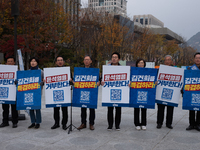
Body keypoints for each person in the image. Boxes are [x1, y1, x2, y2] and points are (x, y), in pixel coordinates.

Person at [77, 56, 100, 130]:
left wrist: (99, 82)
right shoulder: (80, 70)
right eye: (85, 60)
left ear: (91, 61)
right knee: (83, 108)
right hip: (83, 91)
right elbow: (76, 79)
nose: (86, 61)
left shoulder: (94, 70)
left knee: (91, 108)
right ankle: (83, 123)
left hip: (92, 91)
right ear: (83, 61)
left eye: (88, 60)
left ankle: (91, 123)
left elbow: (99, 79)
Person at [102, 52, 122, 131]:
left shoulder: (123, 68)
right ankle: (110, 125)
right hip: (109, 90)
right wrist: (102, 81)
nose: (114, 58)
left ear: (119, 59)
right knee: (110, 109)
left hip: (119, 90)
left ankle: (117, 125)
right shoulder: (107, 68)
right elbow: (102, 78)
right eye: (113, 57)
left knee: (118, 109)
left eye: (116, 57)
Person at [156, 55, 174, 129]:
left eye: (169, 60)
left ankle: (168, 123)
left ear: (171, 61)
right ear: (164, 61)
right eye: (166, 60)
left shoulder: (175, 70)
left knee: (170, 109)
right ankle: (159, 123)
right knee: (160, 108)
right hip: (161, 91)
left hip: (171, 91)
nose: (167, 61)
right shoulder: (159, 70)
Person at [0, 56, 18, 128]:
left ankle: (14, 122)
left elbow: (22, 80)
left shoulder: (17, 71)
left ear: (14, 62)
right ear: (6, 63)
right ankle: (5, 121)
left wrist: (17, 81)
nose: (10, 63)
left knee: (14, 108)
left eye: (11, 61)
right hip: (5, 92)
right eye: (8, 61)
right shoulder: (2, 70)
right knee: (5, 108)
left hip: (14, 92)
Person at [51, 56, 68, 130]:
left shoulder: (67, 70)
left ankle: (64, 124)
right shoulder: (53, 71)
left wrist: (70, 80)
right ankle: (56, 123)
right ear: (56, 62)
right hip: (56, 92)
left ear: (63, 62)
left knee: (64, 110)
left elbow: (71, 81)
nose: (60, 61)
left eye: (61, 60)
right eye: (58, 60)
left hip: (64, 92)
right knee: (56, 109)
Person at [186, 52, 200, 131]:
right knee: (191, 108)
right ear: (194, 59)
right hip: (191, 91)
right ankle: (191, 124)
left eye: (199, 58)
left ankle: (198, 124)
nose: (198, 59)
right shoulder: (189, 69)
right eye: (196, 58)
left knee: (199, 109)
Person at [28, 57, 43, 129]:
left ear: (37, 63)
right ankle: (32, 122)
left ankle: (38, 123)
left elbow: (44, 81)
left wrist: (42, 82)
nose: (33, 62)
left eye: (34, 61)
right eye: (31, 61)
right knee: (30, 107)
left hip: (37, 92)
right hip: (29, 91)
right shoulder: (27, 72)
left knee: (37, 108)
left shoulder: (41, 71)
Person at [134, 59, 147, 131]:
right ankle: (137, 124)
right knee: (136, 109)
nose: (141, 64)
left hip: (144, 92)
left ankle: (144, 123)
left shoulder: (148, 71)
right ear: (137, 64)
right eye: (139, 63)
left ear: (144, 64)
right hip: (136, 92)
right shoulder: (134, 71)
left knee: (144, 108)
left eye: (142, 63)